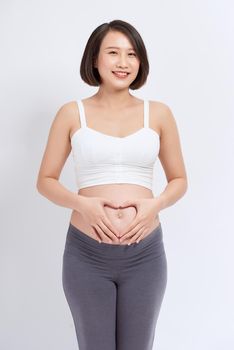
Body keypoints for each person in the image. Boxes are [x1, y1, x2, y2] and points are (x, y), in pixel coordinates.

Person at [36, 19, 188, 350]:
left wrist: (155, 205)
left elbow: (179, 180)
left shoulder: (158, 114)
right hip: (86, 255)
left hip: (144, 254)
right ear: (94, 58)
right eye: (113, 52)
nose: (123, 63)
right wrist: (83, 204)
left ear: (141, 61)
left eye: (132, 54)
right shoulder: (71, 113)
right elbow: (45, 181)